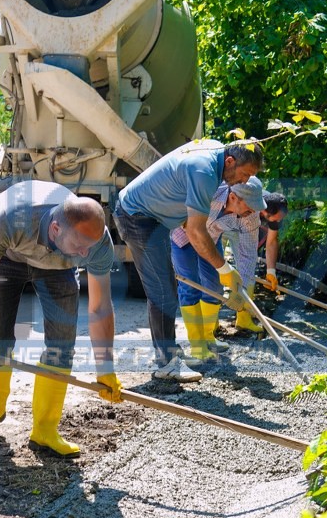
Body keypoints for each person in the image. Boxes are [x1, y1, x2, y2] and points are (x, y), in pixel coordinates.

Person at [0, 181, 122, 456]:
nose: (86, 254)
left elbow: (100, 307)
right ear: (56, 228)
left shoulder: (96, 243)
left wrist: (105, 368)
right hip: (7, 258)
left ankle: (45, 430)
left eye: (89, 247)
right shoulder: (9, 220)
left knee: (62, 344)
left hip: (57, 268)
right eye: (80, 246)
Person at [113, 139, 264, 381]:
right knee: (162, 292)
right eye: (245, 174)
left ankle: (170, 353)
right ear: (230, 161)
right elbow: (195, 232)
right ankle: (167, 365)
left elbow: (191, 218)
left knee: (167, 289)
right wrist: (224, 269)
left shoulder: (213, 158)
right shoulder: (204, 171)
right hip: (138, 216)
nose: (244, 182)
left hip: (156, 219)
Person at [171, 178, 266, 362]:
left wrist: (242, 291)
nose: (253, 210)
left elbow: (247, 255)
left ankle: (208, 337)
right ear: (233, 197)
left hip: (210, 241)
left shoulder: (251, 216)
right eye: (250, 205)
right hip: (183, 237)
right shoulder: (210, 193)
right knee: (190, 286)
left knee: (215, 288)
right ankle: (198, 346)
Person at [256, 191, 289, 293]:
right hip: (228, 220)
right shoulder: (251, 204)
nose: (279, 221)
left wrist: (271, 271)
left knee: (246, 270)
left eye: (281, 219)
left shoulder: (277, 213)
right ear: (264, 212)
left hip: (249, 229)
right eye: (277, 219)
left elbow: (271, 241)